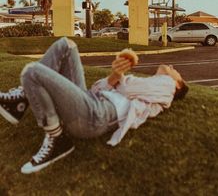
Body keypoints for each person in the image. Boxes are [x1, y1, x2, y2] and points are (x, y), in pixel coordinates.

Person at [0, 37, 188, 174]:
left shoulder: (167, 86)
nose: (172, 66)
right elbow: (97, 87)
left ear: (178, 84)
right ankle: (20, 101)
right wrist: (115, 75)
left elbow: (127, 87)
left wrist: (117, 78)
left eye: (176, 71)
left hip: (95, 116)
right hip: (90, 101)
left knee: (32, 72)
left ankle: (56, 137)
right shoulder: (151, 86)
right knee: (66, 45)